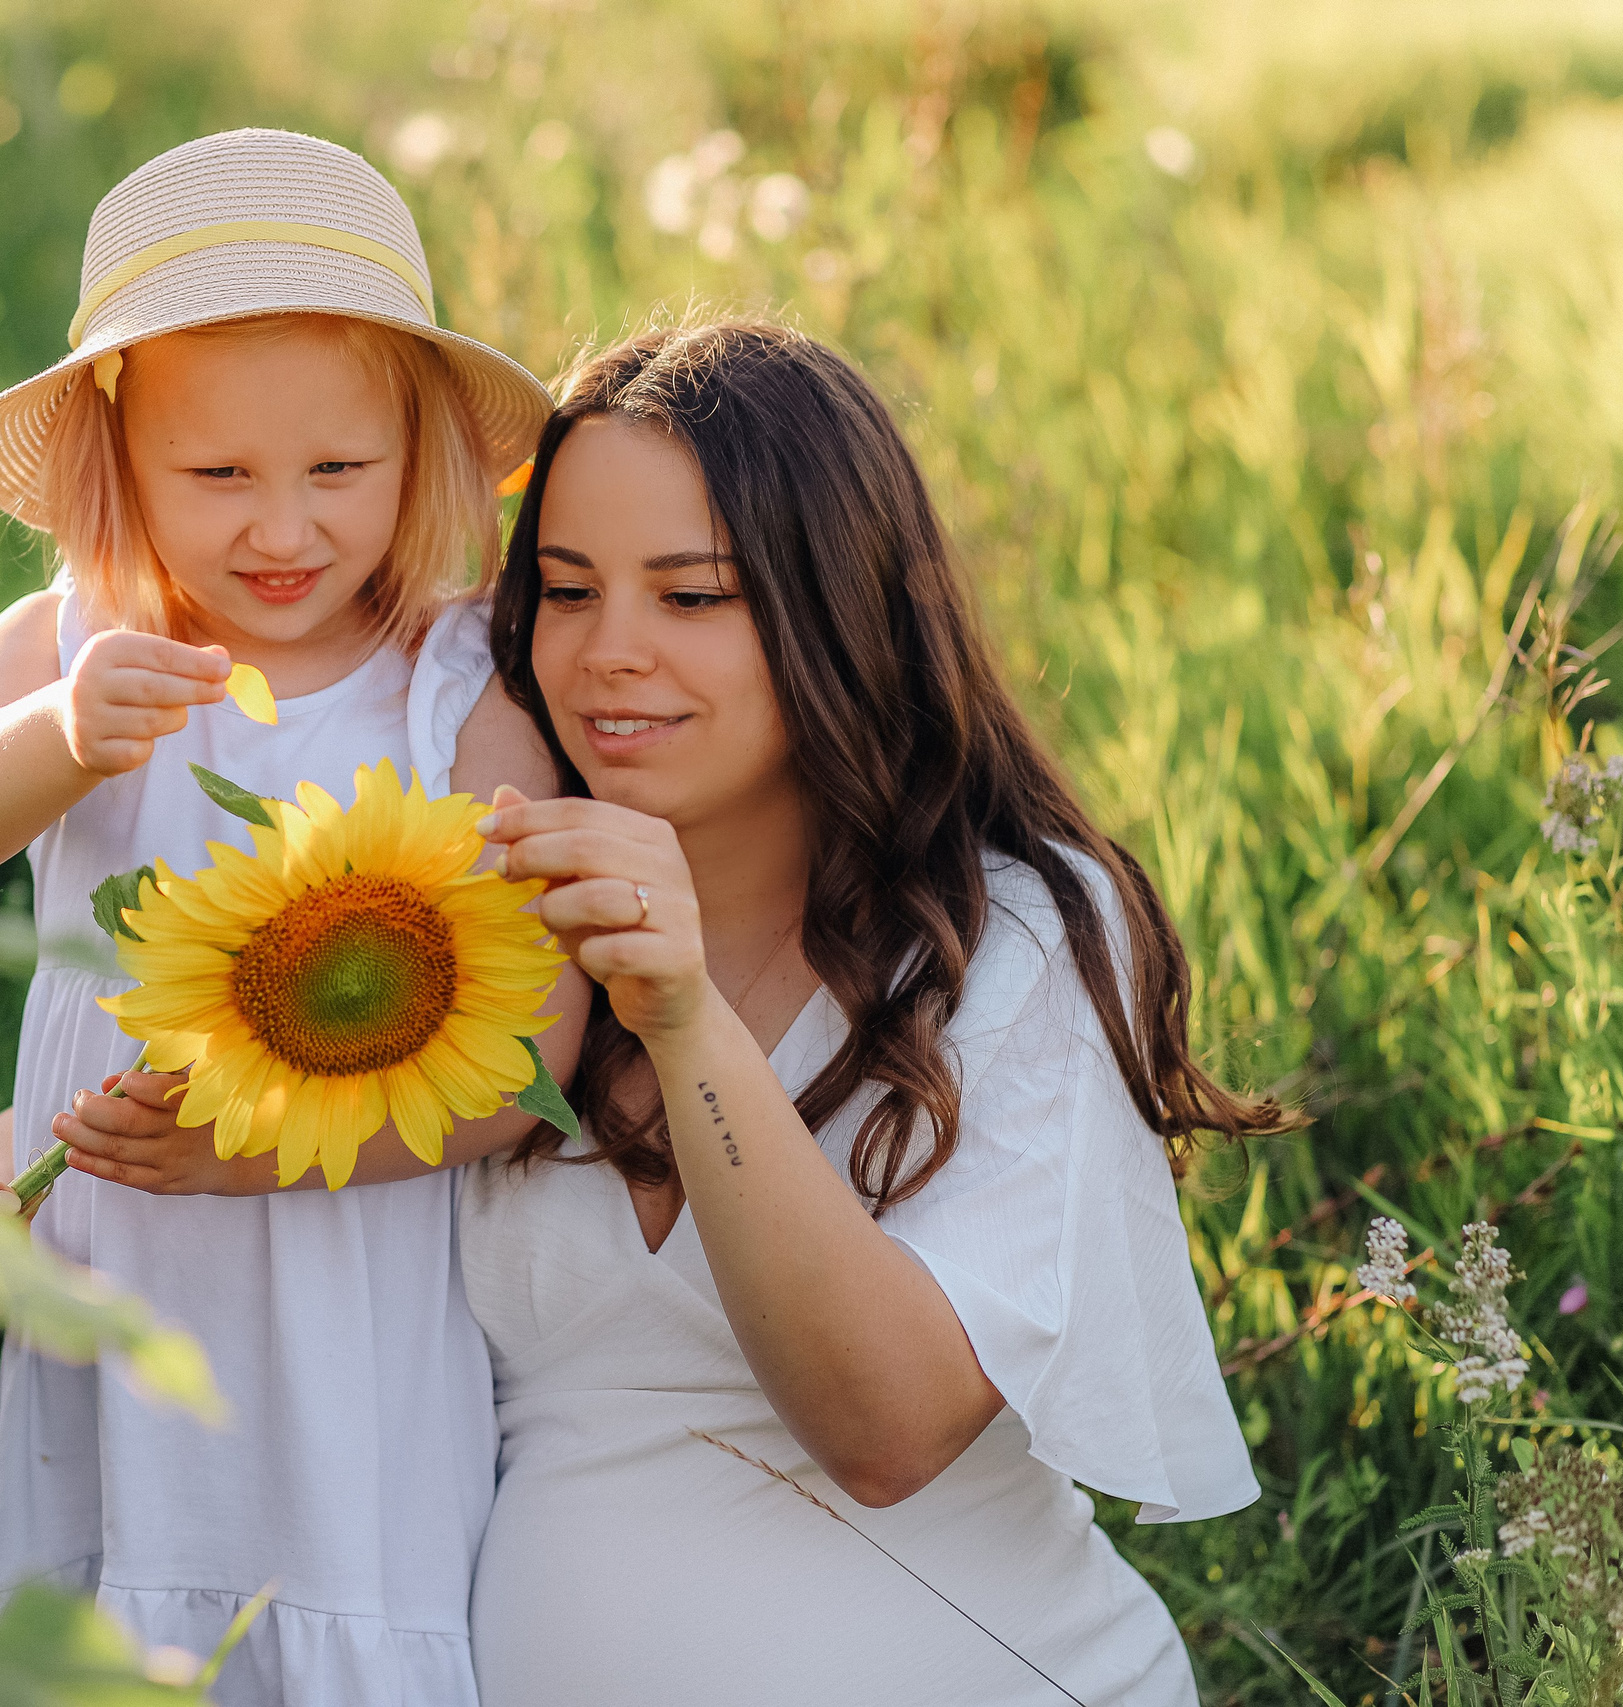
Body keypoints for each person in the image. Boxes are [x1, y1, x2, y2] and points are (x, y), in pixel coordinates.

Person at [0, 129, 582, 1707]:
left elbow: (531, 1062)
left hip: (342, 1278)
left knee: (322, 1613)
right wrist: (59, 734)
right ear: (120, 465)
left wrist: (262, 1151)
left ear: (419, 456)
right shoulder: (72, 642)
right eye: (216, 476)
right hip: (119, 1270)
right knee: (117, 1612)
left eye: (337, 472)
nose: (281, 530)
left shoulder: (453, 690)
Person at [464, 323, 1289, 1705]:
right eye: (564, 589)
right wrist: (20, 1160)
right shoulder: (484, 936)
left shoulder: (1008, 936)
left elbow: (887, 1429)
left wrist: (681, 1018)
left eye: (693, 597)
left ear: (838, 607)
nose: (608, 653)